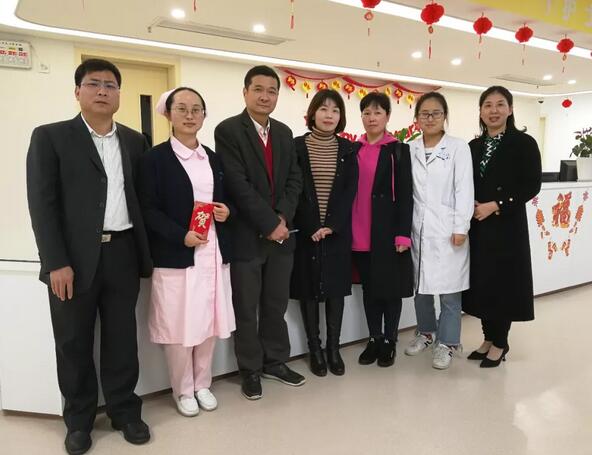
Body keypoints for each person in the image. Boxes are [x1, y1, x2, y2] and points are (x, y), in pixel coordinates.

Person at [26, 59, 152, 455]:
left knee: (122, 339)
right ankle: (78, 420)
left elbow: (143, 200)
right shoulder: (51, 137)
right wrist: (55, 261)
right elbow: (42, 205)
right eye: (93, 83)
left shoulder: (135, 141)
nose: (102, 91)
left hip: (123, 252)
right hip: (73, 260)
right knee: (73, 341)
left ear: (119, 94)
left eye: (110, 85)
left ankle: (124, 411)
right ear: (77, 91)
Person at [137, 87, 235, 416]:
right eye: (181, 108)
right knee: (179, 325)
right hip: (177, 255)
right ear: (168, 114)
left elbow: (225, 199)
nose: (190, 115)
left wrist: (226, 211)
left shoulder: (213, 158)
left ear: (204, 115)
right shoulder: (154, 159)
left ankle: (203, 383)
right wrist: (181, 236)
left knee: (208, 320)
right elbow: (148, 209)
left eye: (196, 109)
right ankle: (183, 389)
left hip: (212, 252)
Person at [214, 65, 304, 399]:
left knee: (275, 305)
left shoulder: (283, 132)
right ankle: (250, 370)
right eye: (258, 89)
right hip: (246, 236)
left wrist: (281, 218)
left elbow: (294, 179)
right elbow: (237, 184)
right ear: (245, 92)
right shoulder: (228, 130)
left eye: (271, 91)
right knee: (246, 308)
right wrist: (269, 224)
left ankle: (276, 362)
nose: (265, 96)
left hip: (281, 238)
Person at [462, 85, 542, 368]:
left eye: (500, 104)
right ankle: (487, 337)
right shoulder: (473, 146)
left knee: (502, 285)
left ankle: (500, 342)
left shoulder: (523, 143)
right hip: (478, 225)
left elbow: (531, 184)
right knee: (482, 283)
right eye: (487, 105)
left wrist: (496, 204)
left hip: (506, 226)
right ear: (480, 111)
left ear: (510, 109)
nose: (493, 111)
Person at [404, 92, 474, 369]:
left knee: (449, 291)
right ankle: (426, 333)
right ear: (417, 118)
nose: (430, 118)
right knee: (420, 288)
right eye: (425, 113)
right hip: (418, 229)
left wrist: (461, 226)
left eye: (436, 113)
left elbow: (464, 189)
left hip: (448, 229)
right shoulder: (410, 149)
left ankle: (448, 342)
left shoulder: (458, 147)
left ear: (445, 116)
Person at [290, 89, 358, 377]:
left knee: (335, 291)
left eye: (335, 110)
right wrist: (312, 226)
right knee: (308, 291)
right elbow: (293, 189)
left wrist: (332, 225)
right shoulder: (296, 146)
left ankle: (333, 348)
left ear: (341, 117)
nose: (329, 115)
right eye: (323, 109)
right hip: (307, 233)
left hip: (336, 233)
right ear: (313, 114)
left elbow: (349, 191)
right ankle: (314, 349)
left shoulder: (348, 150)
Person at [352, 92, 414, 367]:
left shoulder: (398, 150)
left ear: (387, 116)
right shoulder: (353, 149)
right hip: (359, 230)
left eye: (377, 112)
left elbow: (406, 195)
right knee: (370, 289)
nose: (371, 118)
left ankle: (390, 339)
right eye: (366, 113)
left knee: (389, 289)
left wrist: (403, 233)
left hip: (387, 232)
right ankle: (374, 337)